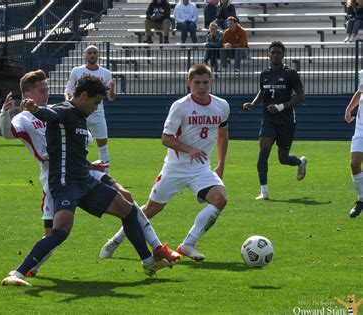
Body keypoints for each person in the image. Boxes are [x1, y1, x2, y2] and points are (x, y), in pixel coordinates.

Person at [0, 70, 179, 278]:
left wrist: (90, 166)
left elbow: (69, 147)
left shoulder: (80, 116)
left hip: (84, 178)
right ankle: (20, 273)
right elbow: (48, 116)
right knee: (58, 234)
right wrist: (32, 109)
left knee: (127, 208)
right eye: (95, 102)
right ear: (84, 96)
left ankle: (149, 260)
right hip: (63, 181)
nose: (96, 108)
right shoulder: (61, 110)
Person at [100, 64, 230, 262]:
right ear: (189, 84)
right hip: (175, 169)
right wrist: (189, 149)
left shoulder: (222, 106)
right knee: (150, 210)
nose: (201, 87)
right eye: (197, 83)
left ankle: (188, 244)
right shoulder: (180, 106)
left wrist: (220, 164)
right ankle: (115, 241)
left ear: (211, 82)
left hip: (201, 169)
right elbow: (166, 138)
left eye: (205, 82)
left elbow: (223, 134)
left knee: (220, 199)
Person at [243, 41, 306, 200]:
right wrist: (253, 104)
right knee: (264, 147)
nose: (275, 55)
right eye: (273, 52)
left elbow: (300, 96)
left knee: (283, 159)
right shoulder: (264, 74)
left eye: (278, 52)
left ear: (283, 55)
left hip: (286, 121)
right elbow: (263, 92)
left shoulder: (291, 73)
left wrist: (281, 107)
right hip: (268, 119)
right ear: (268, 54)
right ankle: (264, 192)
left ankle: (300, 162)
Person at [64, 45, 115, 173]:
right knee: (79, 142)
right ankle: (80, 169)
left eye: (94, 53)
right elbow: (68, 90)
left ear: (99, 55)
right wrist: (69, 104)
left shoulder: (106, 73)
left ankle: (106, 174)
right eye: (89, 53)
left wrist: (112, 89)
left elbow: (111, 97)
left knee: (102, 144)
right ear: (84, 55)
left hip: (98, 113)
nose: (92, 55)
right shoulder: (76, 71)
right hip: (80, 113)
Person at [344, 70, 363, 218]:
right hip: (361, 127)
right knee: (354, 163)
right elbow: (360, 90)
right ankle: (361, 199)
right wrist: (349, 108)